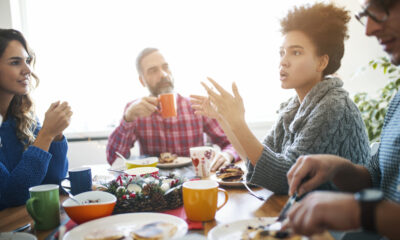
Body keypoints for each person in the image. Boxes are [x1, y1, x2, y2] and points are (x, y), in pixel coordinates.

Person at [191, 3, 371, 194]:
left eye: (296, 52)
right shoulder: (293, 107)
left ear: (322, 62)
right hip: (306, 209)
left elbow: (285, 179)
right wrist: (224, 118)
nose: (283, 61)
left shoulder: (333, 106)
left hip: (340, 218)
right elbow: (256, 160)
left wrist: (238, 122)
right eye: (282, 52)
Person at [285, 0, 400, 238]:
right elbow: (375, 177)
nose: (368, 29)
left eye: (383, 8)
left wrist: (361, 212)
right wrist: (335, 167)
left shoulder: (333, 105)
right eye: (366, 14)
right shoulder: (398, 101)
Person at [106, 48, 238, 169]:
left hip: (195, 183)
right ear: (142, 81)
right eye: (153, 70)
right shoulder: (135, 110)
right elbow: (114, 158)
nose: (163, 74)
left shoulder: (196, 105)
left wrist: (227, 155)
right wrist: (127, 119)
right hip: (154, 187)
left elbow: (232, 143)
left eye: (166, 67)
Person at [0, 29, 72, 210]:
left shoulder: (23, 116)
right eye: (15, 62)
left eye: (28, 61)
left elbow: (53, 181)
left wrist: (55, 135)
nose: (28, 70)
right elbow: (12, 195)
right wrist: (46, 135)